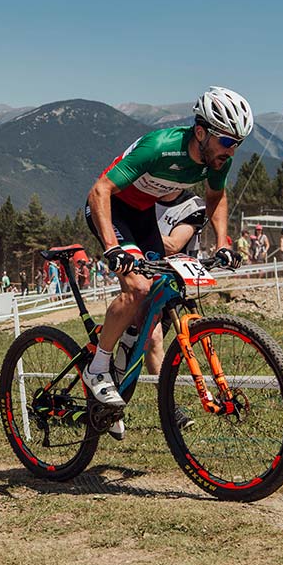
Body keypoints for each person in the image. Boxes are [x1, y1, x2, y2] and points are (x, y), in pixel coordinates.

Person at [83, 86, 250, 440]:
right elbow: (100, 191)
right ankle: (97, 368)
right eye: (225, 141)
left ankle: (124, 356)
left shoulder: (218, 157)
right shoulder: (160, 147)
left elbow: (216, 196)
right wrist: (114, 249)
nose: (231, 150)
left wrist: (224, 242)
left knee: (159, 296)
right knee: (138, 286)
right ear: (201, 132)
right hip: (111, 209)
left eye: (237, 142)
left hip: (142, 215)